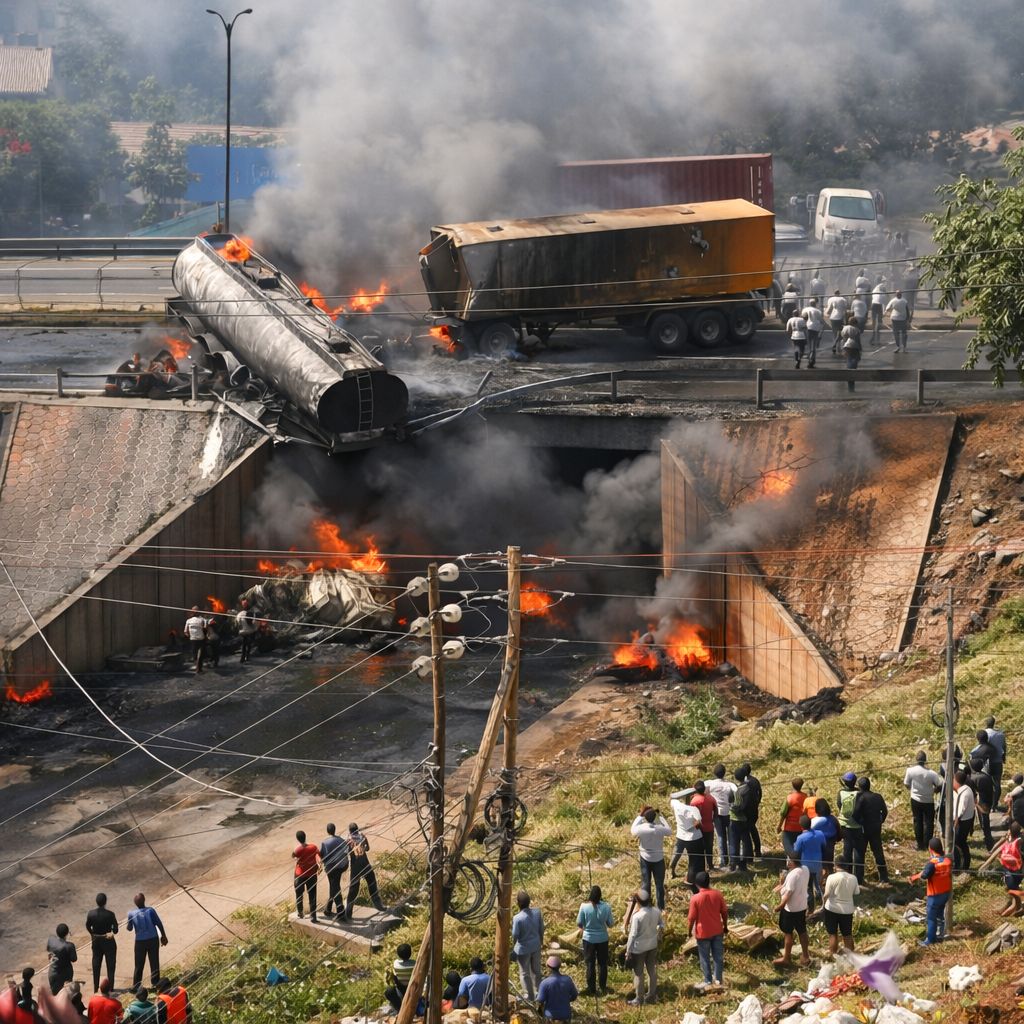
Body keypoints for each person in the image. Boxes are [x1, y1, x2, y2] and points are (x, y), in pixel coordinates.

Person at [687, 871, 728, 992]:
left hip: (703, 932)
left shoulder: (695, 898)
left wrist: (689, 932)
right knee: (718, 957)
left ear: (697, 884)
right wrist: (725, 926)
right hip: (717, 930)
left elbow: (691, 918)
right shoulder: (717, 894)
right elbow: (724, 912)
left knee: (704, 957)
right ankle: (718, 980)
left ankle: (707, 980)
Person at [910, 838, 952, 946]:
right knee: (940, 916)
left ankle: (930, 940)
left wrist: (916, 876)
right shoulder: (947, 861)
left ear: (930, 849)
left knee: (931, 918)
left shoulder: (932, 864)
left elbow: (925, 875)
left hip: (934, 895)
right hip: (945, 893)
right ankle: (940, 935)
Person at [625, 889, 662, 1006]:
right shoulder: (656, 911)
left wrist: (628, 951)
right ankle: (651, 994)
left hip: (639, 948)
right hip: (652, 945)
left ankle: (639, 998)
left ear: (638, 902)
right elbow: (661, 924)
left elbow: (632, 935)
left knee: (638, 973)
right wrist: (659, 936)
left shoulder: (637, 916)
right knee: (652, 969)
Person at [629, 807, 671, 910]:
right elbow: (669, 831)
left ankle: (645, 905)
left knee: (646, 883)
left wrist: (640, 816)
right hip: (658, 859)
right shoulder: (660, 829)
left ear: (645, 818)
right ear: (654, 818)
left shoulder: (642, 828)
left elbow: (632, 830)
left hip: (645, 858)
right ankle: (660, 907)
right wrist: (661, 817)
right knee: (659, 884)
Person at [773, 854, 810, 968]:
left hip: (790, 908)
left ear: (794, 861)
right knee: (802, 931)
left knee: (788, 933)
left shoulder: (793, 875)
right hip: (802, 906)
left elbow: (788, 893)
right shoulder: (805, 869)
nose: (787, 862)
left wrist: (780, 906)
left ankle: (786, 958)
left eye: (789, 860)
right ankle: (805, 956)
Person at [576, 885, 613, 995]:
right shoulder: (607, 907)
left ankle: (591, 988)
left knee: (590, 963)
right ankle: (602, 986)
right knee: (602, 963)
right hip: (603, 939)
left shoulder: (584, 907)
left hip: (588, 939)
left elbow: (579, 923)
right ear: (600, 896)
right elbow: (610, 924)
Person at [127, 894, 168, 990]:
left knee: (139, 964)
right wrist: (163, 936)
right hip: (153, 939)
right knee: (154, 962)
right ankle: (155, 983)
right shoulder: (150, 910)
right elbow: (158, 923)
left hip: (140, 942)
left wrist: (129, 924)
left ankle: (136, 986)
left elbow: (129, 928)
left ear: (135, 903)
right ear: (144, 900)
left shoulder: (131, 914)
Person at [903, 751, 943, 851]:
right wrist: (934, 791)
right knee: (929, 822)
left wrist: (913, 790)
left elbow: (906, 784)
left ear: (916, 760)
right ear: (925, 760)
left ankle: (919, 844)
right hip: (928, 800)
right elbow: (939, 784)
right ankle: (927, 844)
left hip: (915, 799)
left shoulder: (910, 771)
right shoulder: (931, 773)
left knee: (917, 821)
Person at [853, 777, 890, 883]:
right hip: (875, 828)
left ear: (860, 787)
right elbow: (885, 812)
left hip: (864, 829)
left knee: (860, 853)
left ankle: (859, 878)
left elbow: (855, 814)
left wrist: (860, 823)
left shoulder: (860, 798)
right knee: (878, 852)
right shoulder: (878, 796)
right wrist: (880, 821)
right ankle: (883, 877)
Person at [345, 822, 386, 916]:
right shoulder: (362, 837)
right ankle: (378, 905)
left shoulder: (348, 840)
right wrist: (364, 842)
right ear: (357, 829)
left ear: (350, 831)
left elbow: (346, 853)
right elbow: (367, 849)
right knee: (372, 883)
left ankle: (348, 912)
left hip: (355, 867)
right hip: (365, 864)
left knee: (353, 889)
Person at [820, 857, 858, 955]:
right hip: (847, 910)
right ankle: (850, 955)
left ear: (836, 865)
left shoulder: (831, 877)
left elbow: (827, 894)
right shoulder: (853, 878)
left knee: (832, 933)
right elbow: (856, 892)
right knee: (847, 934)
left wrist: (822, 903)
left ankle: (833, 954)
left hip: (832, 908)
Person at [511, 891, 544, 1002]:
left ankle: (529, 996)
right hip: (536, 946)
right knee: (536, 970)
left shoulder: (517, 918)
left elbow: (515, 935)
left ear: (518, 903)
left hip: (523, 949)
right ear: (529, 902)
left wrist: (513, 946)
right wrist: (541, 941)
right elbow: (541, 929)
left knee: (524, 973)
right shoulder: (537, 912)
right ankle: (539, 994)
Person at [669, 787, 705, 885]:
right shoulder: (694, 809)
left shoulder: (677, 805)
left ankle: (671, 870)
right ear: (691, 797)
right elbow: (699, 823)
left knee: (677, 853)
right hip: (694, 838)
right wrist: (693, 827)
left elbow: (672, 797)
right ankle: (692, 879)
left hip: (681, 836)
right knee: (695, 859)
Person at [704, 764, 736, 869]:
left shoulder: (710, 784)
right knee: (731, 837)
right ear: (724, 773)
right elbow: (736, 791)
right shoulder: (729, 785)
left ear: (714, 773)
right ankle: (732, 861)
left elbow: (701, 785)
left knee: (721, 836)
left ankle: (723, 860)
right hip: (728, 813)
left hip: (717, 814)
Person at [85, 892, 118, 993]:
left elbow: (87, 926)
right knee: (110, 965)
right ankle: (111, 987)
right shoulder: (110, 914)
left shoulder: (91, 914)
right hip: (108, 940)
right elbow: (116, 930)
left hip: (96, 940)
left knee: (96, 964)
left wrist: (92, 934)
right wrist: (111, 931)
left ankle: (95, 987)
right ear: (105, 902)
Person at [837, 772, 864, 882]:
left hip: (845, 825)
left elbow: (839, 805)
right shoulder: (859, 793)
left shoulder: (841, 792)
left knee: (847, 850)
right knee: (858, 852)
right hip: (857, 825)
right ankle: (859, 878)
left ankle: (847, 876)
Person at [319, 823, 350, 918]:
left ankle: (340, 911)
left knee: (335, 887)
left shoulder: (325, 843)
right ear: (334, 830)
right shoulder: (341, 840)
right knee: (334, 886)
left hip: (332, 868)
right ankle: (328, 909)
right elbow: (347, 851)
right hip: (342, 866)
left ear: (327, 831)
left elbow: (321, 856)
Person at [794, 815, 825, 906]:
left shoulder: (800, 838)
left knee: (808, 886)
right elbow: (824, 846)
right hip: (818, 864)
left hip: (806, 866)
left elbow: (796, 851)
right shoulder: (820, 834)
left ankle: (810, 905)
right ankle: (820, 900)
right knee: (818, 883)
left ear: (801, 826)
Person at [536, 956, 578, 1022]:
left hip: (550, 1017)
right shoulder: (567, 980)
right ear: (559, 966)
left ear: (548, 967)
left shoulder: (545, 983)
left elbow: (540, 1000)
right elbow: (574, 995)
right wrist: (565, 1000)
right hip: (565, 1015)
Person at [690, 780, 718, 874]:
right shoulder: (710, 798)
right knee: (709, 848)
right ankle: (710, 865)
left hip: (699, 829)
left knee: (700, 849)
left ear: (695, 790)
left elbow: (692, 816)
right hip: (709, 827)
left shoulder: (694, 801)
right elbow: (716, 811)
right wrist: (712, 820)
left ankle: (701, 868)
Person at [292, 829, 320, 923]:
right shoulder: (313, 847)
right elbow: (319, 854)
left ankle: (300, 912)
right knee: (312, 894)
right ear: (305, 837)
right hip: (312, 873)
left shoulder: (298, 849)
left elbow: (293, 856)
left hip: (300, 874)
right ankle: (313, 916)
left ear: (298, 839)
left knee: (299, 894)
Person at [728, 768, 753, 872]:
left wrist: (730, 806)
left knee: (734, 841)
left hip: (736, 819)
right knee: (746, 841)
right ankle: (743, 863)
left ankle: (733, 863)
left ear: (736, 778)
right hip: (747, 819)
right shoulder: (749, 788)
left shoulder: (737, 791)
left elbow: (736, 805)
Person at [968, 757, 995, 850]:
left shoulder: (973, 777)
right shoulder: (986, 776)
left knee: (984, 823)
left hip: (980, 803)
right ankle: (989, 842)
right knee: (986, 823)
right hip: (987, 801)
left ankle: (989, 844)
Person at [953, 771, 976, 871]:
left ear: (956, 781)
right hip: (966, 820)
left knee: (959, 843)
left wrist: (955, 823)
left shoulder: (964, 793)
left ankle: (961, 865)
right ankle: (963, 864)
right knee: (961, 843)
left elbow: (960, 811)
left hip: (963, 822)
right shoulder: (966, 789)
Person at [46, 922, 77, 995]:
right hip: (65, 973)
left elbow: (48, 950)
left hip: (52, 972)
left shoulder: (51, 940)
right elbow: (74, 959)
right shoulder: (69, 946)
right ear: (67, 934)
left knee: (55, 994)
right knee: (66, 994)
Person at [778, 778, 806, 859]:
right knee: (799, 847)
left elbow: (783, 813)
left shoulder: (789, 798)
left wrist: (779, 826)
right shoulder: (805, 797)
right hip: (801, 827)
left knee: (789, 847)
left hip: (789, 828)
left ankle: (792, 862)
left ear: (792, 786)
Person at [740, 763, 764, 860]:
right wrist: (757, 802)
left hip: (746, 811)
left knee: (746, 832)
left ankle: (748, 853)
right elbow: (760, 792)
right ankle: (757, 850)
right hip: (754, 809)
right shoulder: (755, 780)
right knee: (753, 829)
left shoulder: (744, 783)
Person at [811, 798, 840, 874]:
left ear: (816, 809)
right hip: (830, 844)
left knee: (819, 865)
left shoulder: (814, 821)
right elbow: (839, 831)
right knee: (829, 863)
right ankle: (830, 877)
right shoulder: (833, 819)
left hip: (817, 846)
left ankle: (820, 880)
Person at [982, 716, 1007, 806]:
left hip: (987, 763)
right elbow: (1004, 748)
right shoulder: (1000, 734)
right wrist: (1003, 758)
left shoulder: (984, 733)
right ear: (993, 723)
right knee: (997, 784)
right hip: (998, 761)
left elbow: (982, 748)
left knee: (987, 783)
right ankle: (994, 804)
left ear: (986, 724)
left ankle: (987, 803)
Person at [384, 943, 415, 1012]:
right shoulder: (415, 964)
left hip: (401, 991)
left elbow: (394, 976)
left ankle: (400, 1009)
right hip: (414, 990)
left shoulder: (396, 964)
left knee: (389, 991)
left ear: (398, 954)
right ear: (410, 953)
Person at [1000, 822, 1023, 905]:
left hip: (1013, 872)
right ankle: (1013, 907)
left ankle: (1014, 906)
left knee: (1014, 892)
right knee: (1014, 893)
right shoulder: (1010, 841)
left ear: (1010, 831)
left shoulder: (1017, 842)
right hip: (1015, 871)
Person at [800, 298, 825, 368]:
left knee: (809, 344)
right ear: (815, 304)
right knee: (813, 345)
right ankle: (811, 360)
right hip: (815, 328)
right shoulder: (818, 311)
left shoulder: (804, 310)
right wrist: (821, 332)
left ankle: (810, 359)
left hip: (807, 328)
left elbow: (802, 318)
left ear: (809, 303)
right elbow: (822, 321)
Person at [183, 607, 207, 674]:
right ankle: (198, 668)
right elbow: (185, 631)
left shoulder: (202, 620)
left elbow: (185, 632)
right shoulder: (189, 620)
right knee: (197, 655)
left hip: (198, 639)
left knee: (198, 655)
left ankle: (198, 668)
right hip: (196, 639)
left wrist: (189, 636)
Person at [841, 318, 862, 393]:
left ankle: (850, 384)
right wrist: (860, 349)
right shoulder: (857, 330)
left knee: (849, 361)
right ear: (855, 323)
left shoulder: (845, 328)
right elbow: (858, 340)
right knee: (853, 364)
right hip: (854, 346)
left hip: (846, 346)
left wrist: (843, 348)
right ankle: (851, 386)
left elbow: (843, 338)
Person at [235, 598, 257, 663]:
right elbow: (254, 623)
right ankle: (247, 657)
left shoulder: (239, 614)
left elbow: (237, 623)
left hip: (243, 632)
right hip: (250, 632)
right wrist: (254, 629)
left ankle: (242, 658)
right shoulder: (251, 613)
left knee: (244, 645)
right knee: (248, 645)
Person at [870, 277, 887, 345]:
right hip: (878, 305)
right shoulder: (881, 286)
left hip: (874, 305)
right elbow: (883, 300)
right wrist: (883, 311)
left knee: (874, 322)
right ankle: (876, 338)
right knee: (878, 323)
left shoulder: (875, 289)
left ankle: (874, 338)